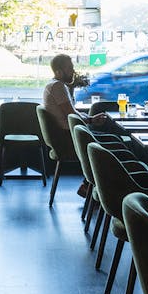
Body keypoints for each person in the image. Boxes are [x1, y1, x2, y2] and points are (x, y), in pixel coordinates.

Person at [43, 54, 105, 196]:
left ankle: (90, 187)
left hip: (66, 135)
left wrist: (90, 118)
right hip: (67, 138)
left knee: (106, 134)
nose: (73, 71)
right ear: (59, 72)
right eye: (69, 68)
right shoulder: (58, 87)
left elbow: (72, 112)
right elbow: (71, 114)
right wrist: (90, 120)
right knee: (111, 143)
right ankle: (96, 189)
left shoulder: (55, 85)